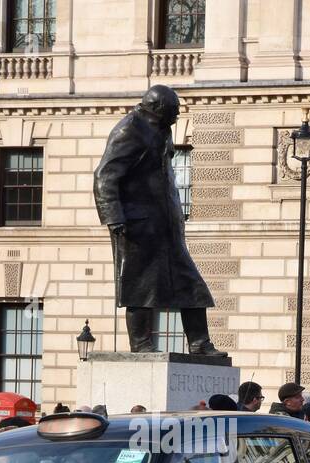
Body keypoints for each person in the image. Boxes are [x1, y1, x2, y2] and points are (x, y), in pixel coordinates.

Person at [93, 85, 222, 357]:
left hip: (165, 226)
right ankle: (141, 345)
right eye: (175, 110)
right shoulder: (129, 129)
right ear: (159, 109)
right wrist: (114, 217)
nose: (178, 114)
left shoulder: (162, 129)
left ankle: (200, 344)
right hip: (137, 226)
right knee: (139, 286)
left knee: (191, 284)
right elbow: (105, 176)